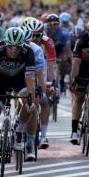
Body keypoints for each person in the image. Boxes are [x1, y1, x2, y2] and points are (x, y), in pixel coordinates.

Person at [0, 27, 37, 173]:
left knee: (28, 102)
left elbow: (30, 79)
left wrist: (31, 100)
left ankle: (19, 130)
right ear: (5, 43)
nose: (14, 50)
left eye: (17, 47)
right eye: (10, 46)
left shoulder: (28, 51)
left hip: (20, 79)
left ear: (22, 45)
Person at [27, 18, 57, 149]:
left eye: (38, 35)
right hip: (25, 72)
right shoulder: (23, 43)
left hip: (41, 70)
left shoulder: (48, 43)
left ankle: (43, 136)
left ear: (42, 34)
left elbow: (51, 66)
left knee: (45, 101)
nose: (34, 38)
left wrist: (53, 83)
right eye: (32, 35)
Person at [45, 13, 72, 93]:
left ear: (59, 24)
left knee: (64, 60)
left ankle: (62, 80)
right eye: (50, 24)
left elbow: (67, 48)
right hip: (47, 49)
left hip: (59, 50)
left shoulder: (64, 32)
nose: (53, 26)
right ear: (47, 24)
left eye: (55, 24)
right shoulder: (44, 31)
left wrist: (70, 60)